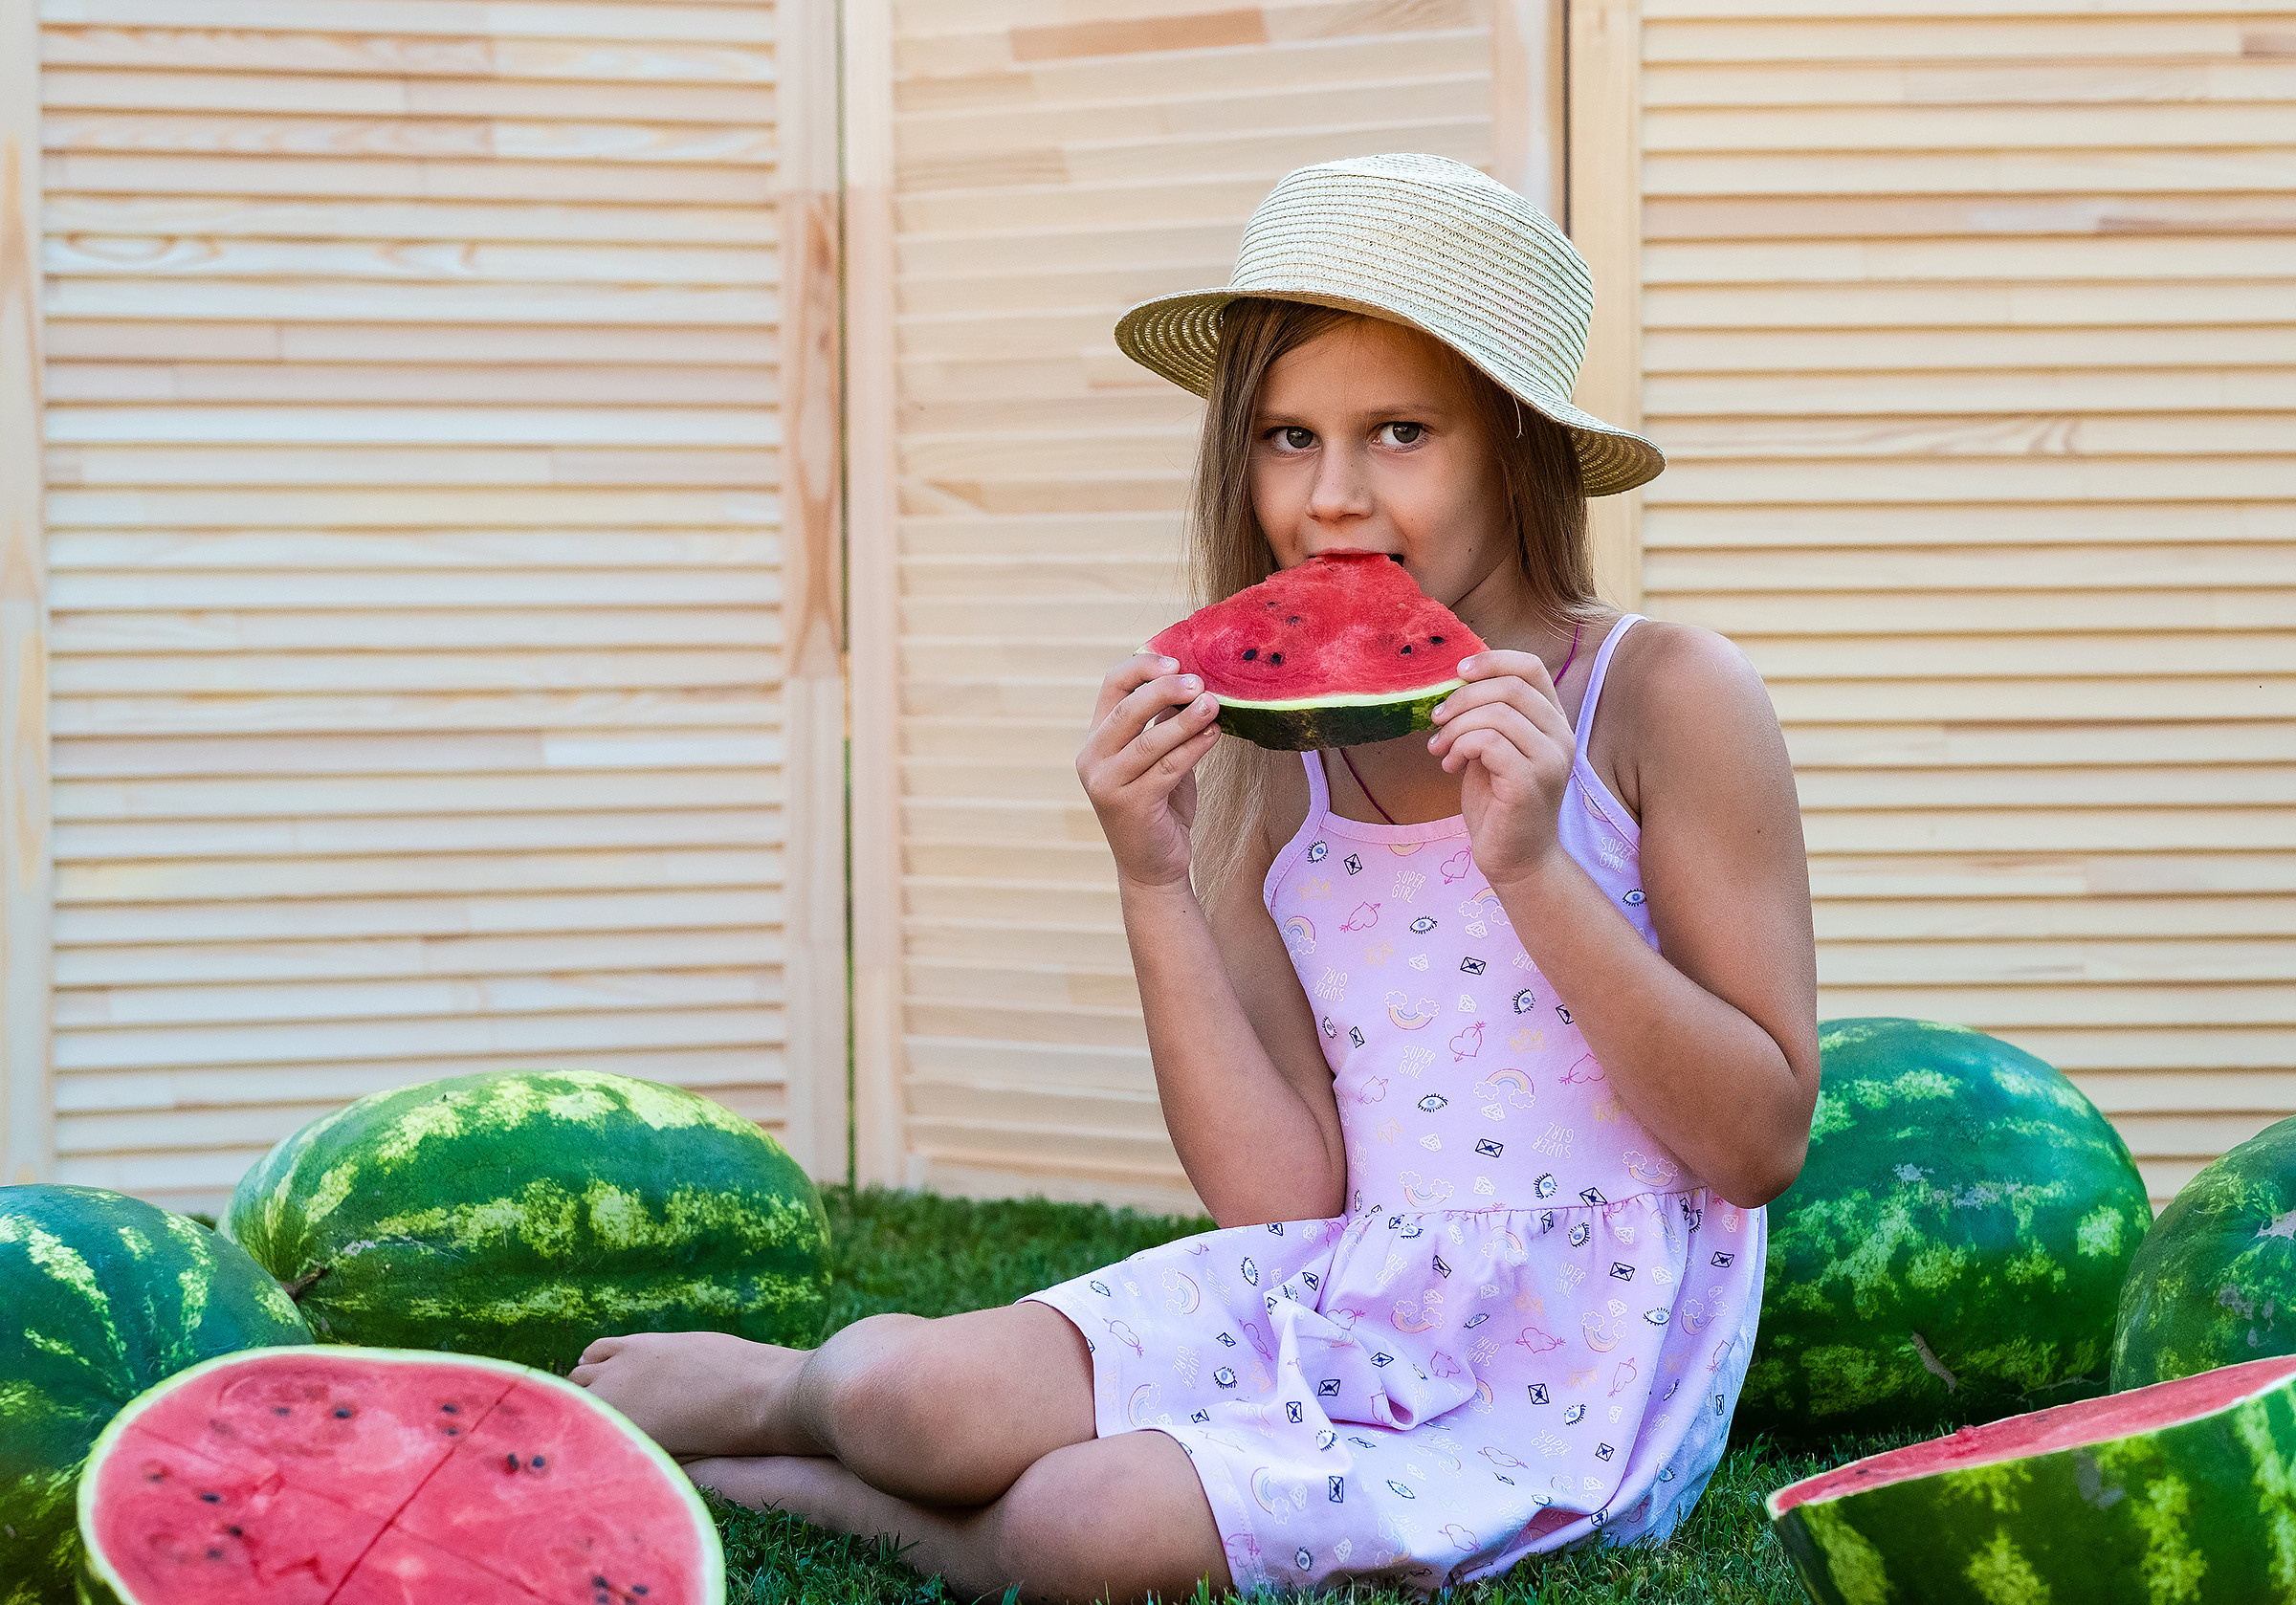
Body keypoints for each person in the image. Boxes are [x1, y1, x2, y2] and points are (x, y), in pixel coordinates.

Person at [572, 152, 1819, 1601]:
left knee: (1079, 1529)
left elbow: (1759, 1138)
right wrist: (1153, 879)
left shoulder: (1664, 696)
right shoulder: (1266, 753)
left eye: (1402, 431)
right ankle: (796, 1400)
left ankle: (802, 1493)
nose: (1332, 498)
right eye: (1288, 437)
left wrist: (1533, 867)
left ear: (1520, 446)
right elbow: (1281, 1188)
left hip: (1564, 1364)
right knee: (920, 1401)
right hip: (1334, 1282)